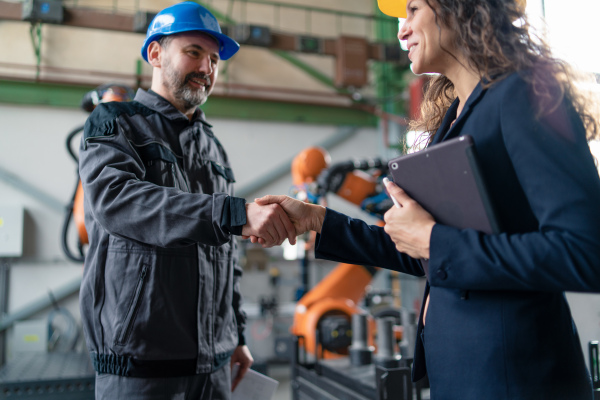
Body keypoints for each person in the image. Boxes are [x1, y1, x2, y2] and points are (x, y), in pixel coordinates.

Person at [254, 0, 600, 398]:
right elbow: (424, 252)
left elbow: (585, 251)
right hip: (460, 373)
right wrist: (318, 220)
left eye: (413, 9)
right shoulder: (454, 119)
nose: (401, 30)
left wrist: (434, 241)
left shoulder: (524, 95)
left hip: (513, 378)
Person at [78, 2, 296, 399]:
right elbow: (117, 200)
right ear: (156, 54)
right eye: (194, 52)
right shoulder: (116, 122)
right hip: (140, 368)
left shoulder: (213, 147)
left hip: (214, 366)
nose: (207, 69)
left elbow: (225, 257)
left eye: (214, 59)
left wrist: (236, 334)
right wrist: (232, 213)